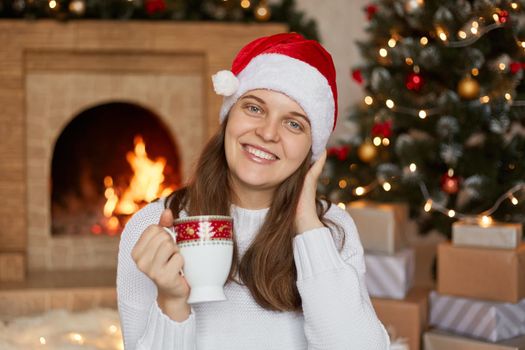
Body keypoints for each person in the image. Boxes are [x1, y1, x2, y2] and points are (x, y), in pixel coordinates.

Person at [117, 32, 390, 349]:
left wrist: (306, 225)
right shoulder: (150, 228)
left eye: (294, 124)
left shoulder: (330, 230)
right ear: (228, 117)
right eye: (254, 108)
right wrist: (172, 302)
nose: (268, 133)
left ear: (312, 151)